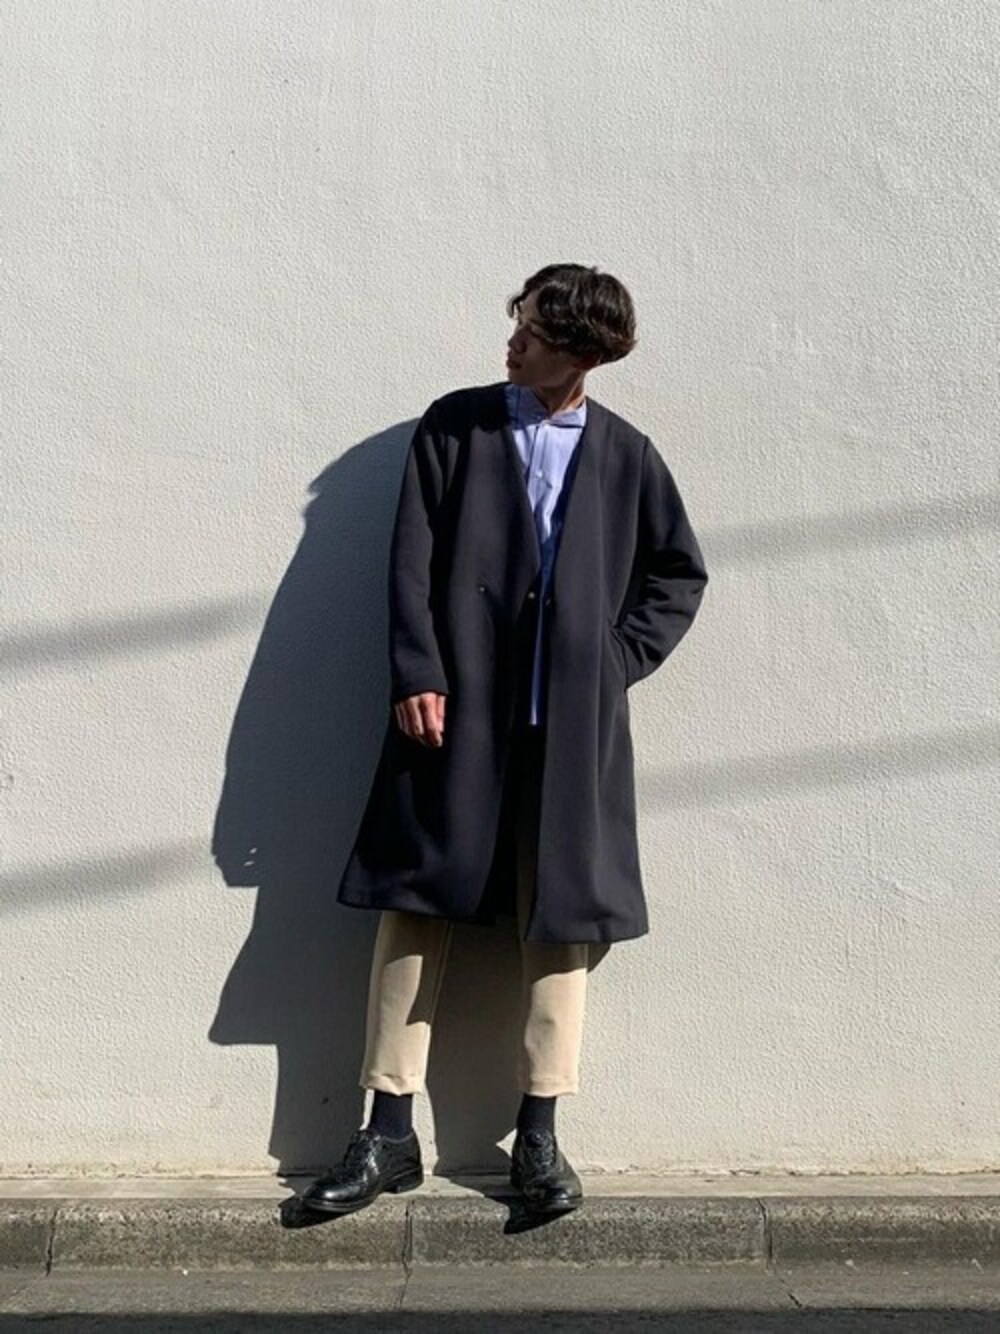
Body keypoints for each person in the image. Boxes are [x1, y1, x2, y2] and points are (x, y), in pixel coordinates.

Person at [302, 264, 709, 1217]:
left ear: (581, 352)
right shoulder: (457, 426)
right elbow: (411, 559)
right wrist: (418, 670)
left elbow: (677, 575)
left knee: (561, 917)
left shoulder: (626, 455)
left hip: (571, 728)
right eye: (516, 323)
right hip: (455, 714)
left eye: (532, 331)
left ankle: (539, 1135)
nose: (512, 342)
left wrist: (611, 661)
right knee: (415, 901)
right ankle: (386, 1131)